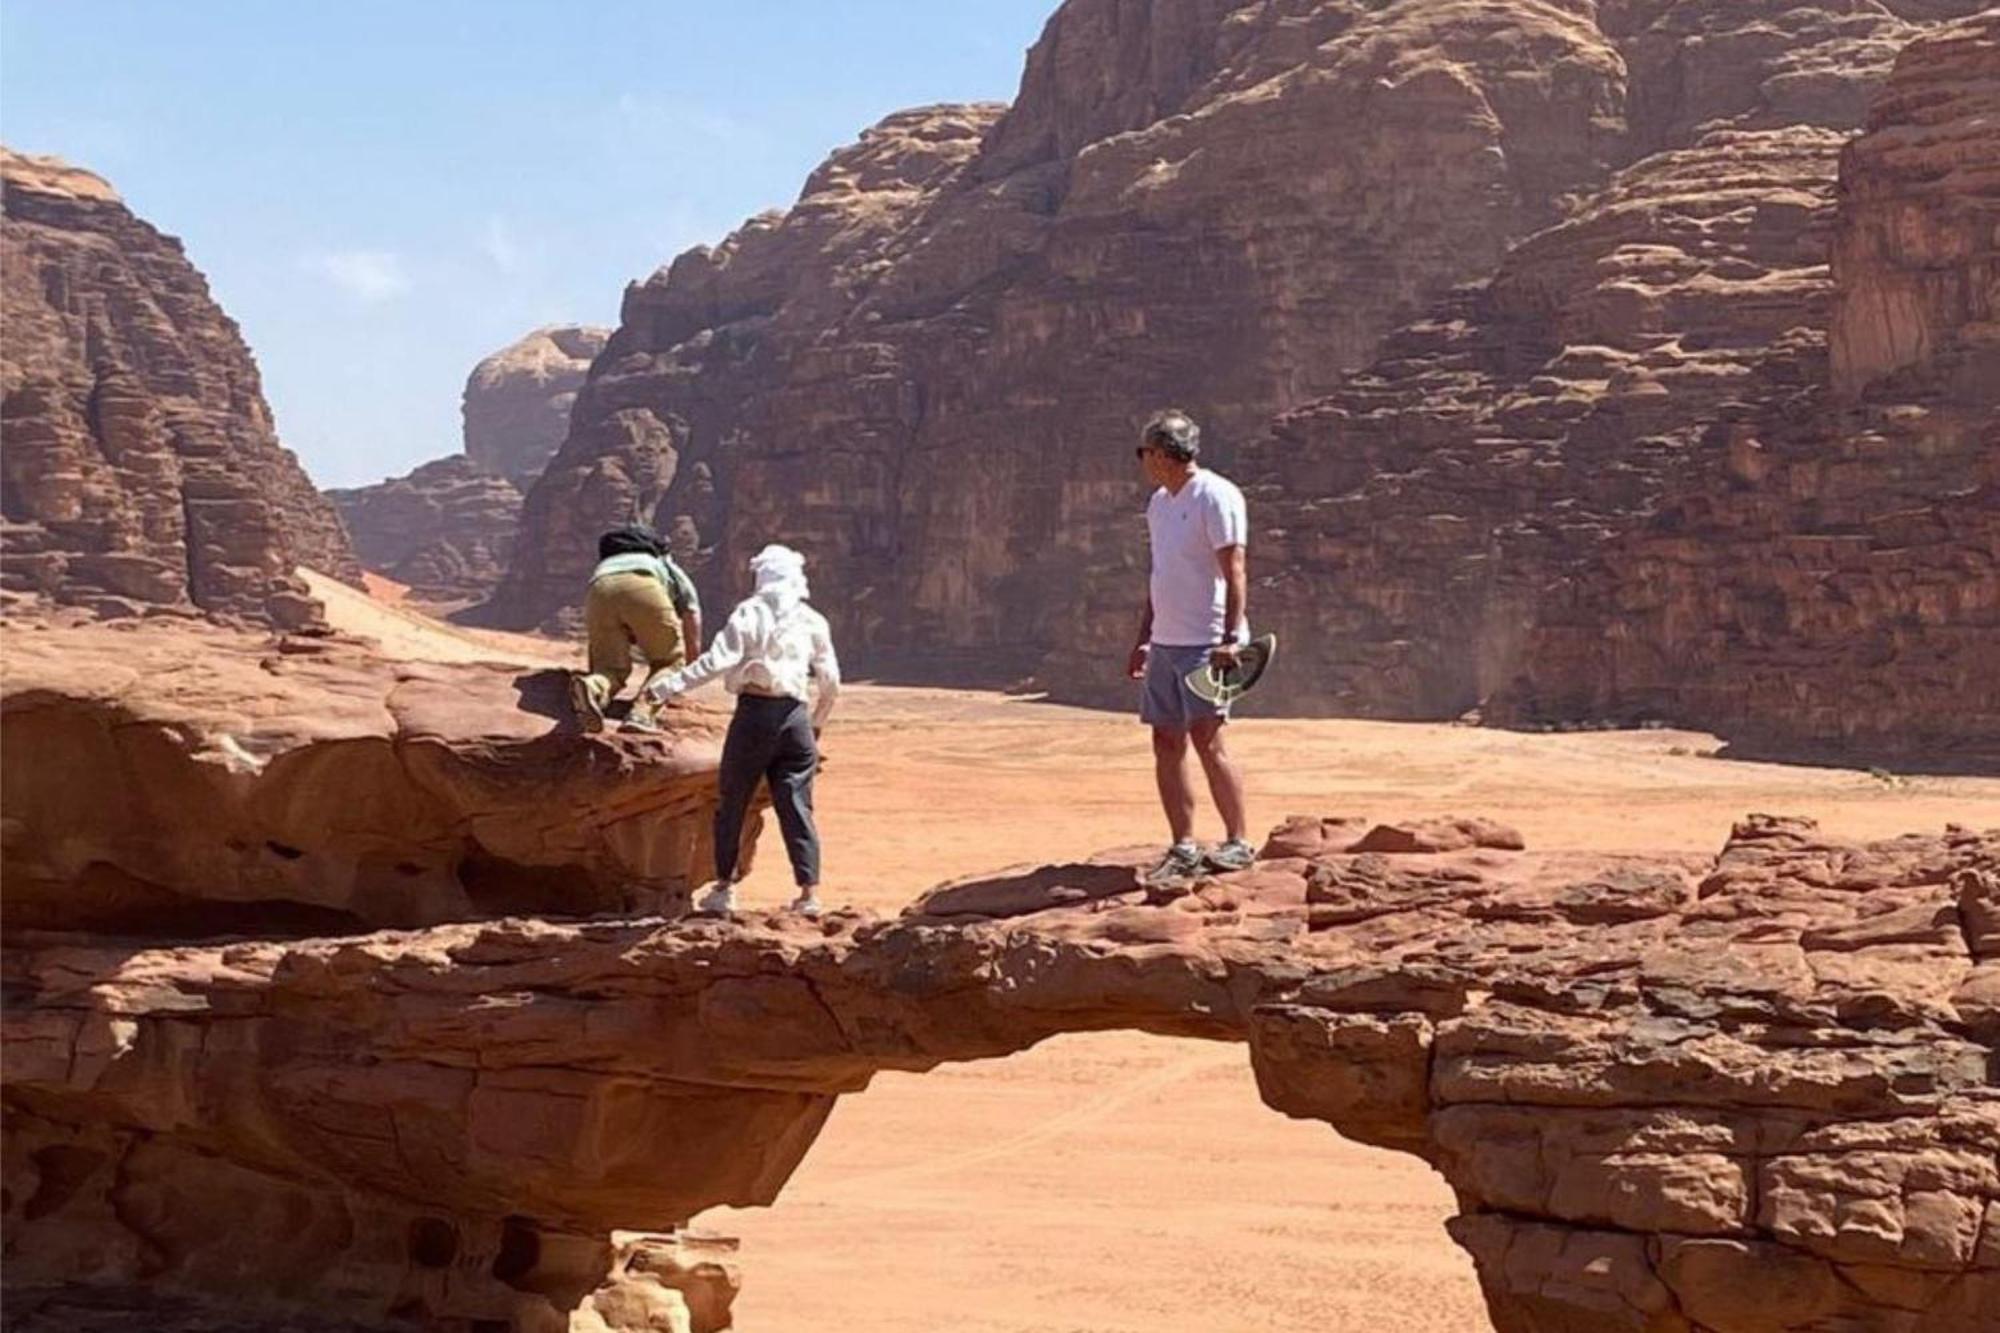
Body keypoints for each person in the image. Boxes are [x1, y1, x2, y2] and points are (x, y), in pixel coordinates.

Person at [646, 543, 839, 917]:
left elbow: (719, 661)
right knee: (798, 807)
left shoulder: (749, 613)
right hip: (797, 718)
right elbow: (831, 682)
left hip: (754, 715)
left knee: (732, 802)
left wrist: (668, 687)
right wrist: (815, 726)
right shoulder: (814, 620)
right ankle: (809, 894)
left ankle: (724, 889)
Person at [1125, 408, 1254, 884]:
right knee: (1166, 740)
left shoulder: (1216, 495)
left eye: (1146, 453)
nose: (1143, 461)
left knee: (1208, 738)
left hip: (1206, 642)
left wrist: (1228, 640)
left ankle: (1238, 841)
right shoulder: (1159, 503)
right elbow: (1162, 575)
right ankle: (1183, 845)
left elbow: (1234, 569)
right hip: (1167, 642)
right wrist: (1144, 639)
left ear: (1161, 453)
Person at [569, 523, 702, 735]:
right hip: (644, 585)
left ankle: (594, 687)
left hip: (598, 589)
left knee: (609, 668)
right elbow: (691, 611)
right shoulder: (661, 562)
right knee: (669, 662)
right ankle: (642, 714)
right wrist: (691, 666)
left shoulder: (609, 563)